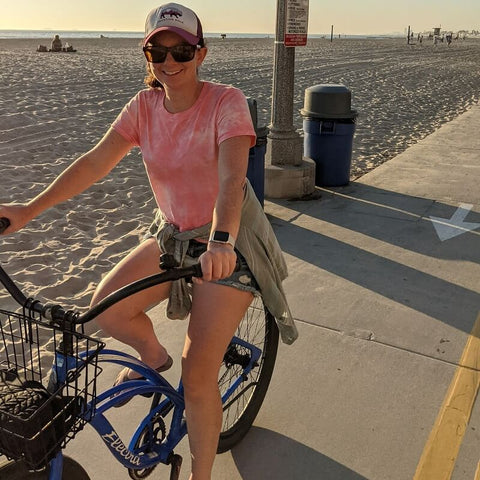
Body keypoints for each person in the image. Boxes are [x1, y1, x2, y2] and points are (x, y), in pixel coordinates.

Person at [0, 3, 297, 479]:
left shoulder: (225, 101)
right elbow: (95, 162)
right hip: (175, 236)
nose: (169, 61)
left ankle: (201, 474)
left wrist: (221, 240)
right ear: (147, 56)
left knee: (198, 376)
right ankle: (151, 361)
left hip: (227, 243)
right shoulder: (144, 107)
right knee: (107, 308)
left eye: (181, 50)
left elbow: (230, 179)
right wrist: (27, 211)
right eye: (157, 51)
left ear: (200, 53)